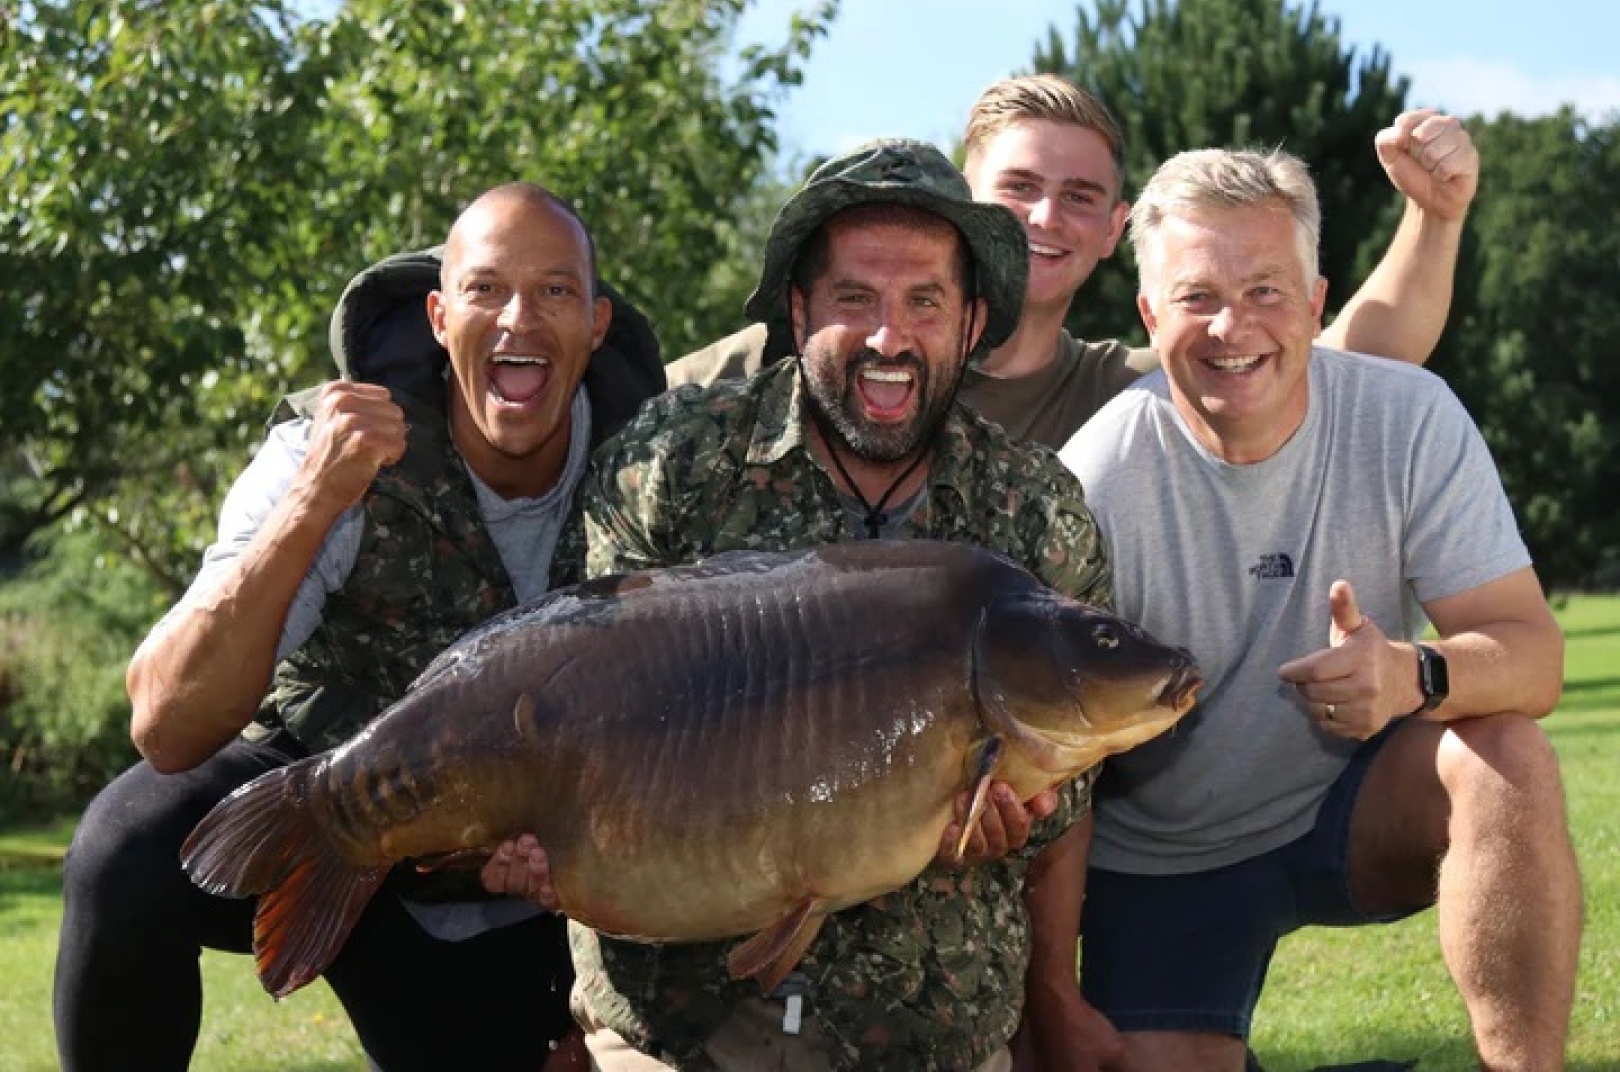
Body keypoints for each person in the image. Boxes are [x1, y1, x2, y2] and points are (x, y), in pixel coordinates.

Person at [481, 138, 1113, 1070]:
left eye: (924, 303)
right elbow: (584, 697)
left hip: (928, 1030)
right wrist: (533, 831)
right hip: (675, 1021)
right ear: (798, 307)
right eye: (855, 299)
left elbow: (1074, 774)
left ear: (973, 321)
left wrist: (1027, 806)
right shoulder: (678, 461)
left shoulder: (1033, 511)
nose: (889, 339)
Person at [53, 183, 665, 1072]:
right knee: (123, 853)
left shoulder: (656, 470)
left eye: (555, 292)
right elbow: (166, 722)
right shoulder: (329, 445)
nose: (518, 320)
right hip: (326, 810)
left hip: (519, 891)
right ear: (438, 314)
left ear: (597, 325)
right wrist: (313, 501)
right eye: (487, 288)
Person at [1057, 147, 1579, 1071]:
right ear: (1148, 313)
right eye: (1196, 296)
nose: (1232, 325)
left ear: (1314, 300)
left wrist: (1414, 674)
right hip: (1163, 857)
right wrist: (1050, 994)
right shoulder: (1096, 481)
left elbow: (1533, 655)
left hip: (1349, 801)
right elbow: (1050, 772)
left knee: (1506, 754)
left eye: (1265, 289)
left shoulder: (1408, 416)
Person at [667, 74, 1478, 450]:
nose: (1046, 216)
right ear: (963, 203)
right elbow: (609, 412)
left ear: (1113, 229)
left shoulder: (1127, 396)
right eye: (1017, 187)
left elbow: (1344, 356)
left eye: (1081, 196)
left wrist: (1435, 217)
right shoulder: (795, 355)